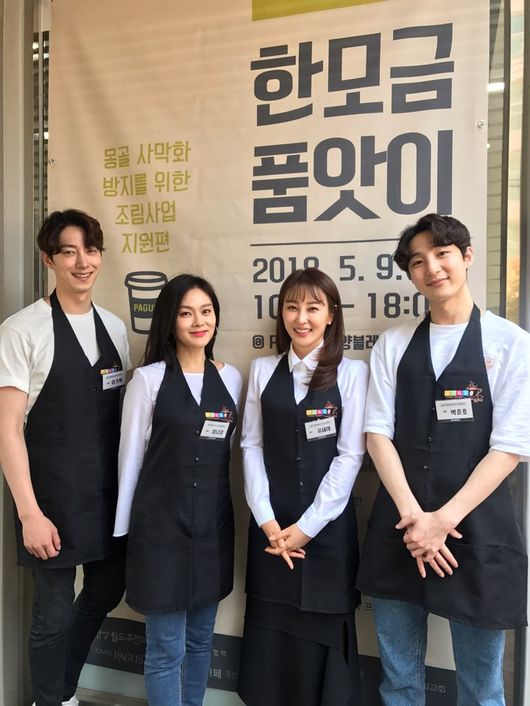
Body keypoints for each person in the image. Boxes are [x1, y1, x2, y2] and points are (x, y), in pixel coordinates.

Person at [356, 214, 530, 705]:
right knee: (399, 682)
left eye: (442, 253)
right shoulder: (393, 343)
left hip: (476, 530)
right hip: (402, 528)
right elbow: (377, 434)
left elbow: (510, 446)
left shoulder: (510, 343)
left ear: (467, 256)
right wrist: (416, 519)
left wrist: (441, 521)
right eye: (418, 261)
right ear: (410, 275)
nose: (432, 267)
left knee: (482, 689)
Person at [0, 209, 131, 706]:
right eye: (69, 251)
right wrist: (29, 514)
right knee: (52, 613)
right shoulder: (22, 330)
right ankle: (49, 699)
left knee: (105, 591)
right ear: (48, 259)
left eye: (90, 250)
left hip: (107, 496)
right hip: (50, 498)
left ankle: (63, 690)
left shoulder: (114, 328)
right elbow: (8, 428)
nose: (82, 262)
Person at [237, 267, 368, 706]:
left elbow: (350, 457)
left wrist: (307, 527)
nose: (302, 318)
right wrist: (267, 521)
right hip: (271, 533)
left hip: (326, 535)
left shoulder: (352, 373)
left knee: (323, 646)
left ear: (331, 314)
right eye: (292, 307)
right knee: (271, 646)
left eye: (313, 307)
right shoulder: (261, 370)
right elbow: (251, 446)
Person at [114, 273, 242, 706]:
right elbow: (130, 460)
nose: (198, 322)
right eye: (186, 313)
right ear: (169, 321)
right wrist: (124, 533)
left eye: (206, 312)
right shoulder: (147, 380)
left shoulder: (232, 379)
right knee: (166, 650)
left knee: (201, 641)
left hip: (211, 529)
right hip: (160, 533)